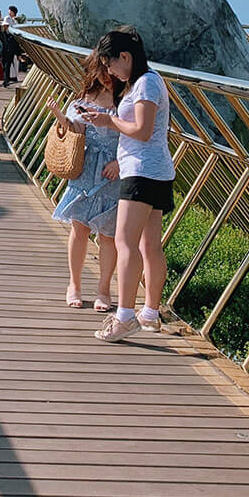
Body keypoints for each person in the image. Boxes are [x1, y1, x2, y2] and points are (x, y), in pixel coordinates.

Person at [84, 28, 176, 343]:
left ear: (125, 57)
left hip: (141, 172)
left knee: (125, 242)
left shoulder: (146, 83)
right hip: (155, 171)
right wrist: (106, 117)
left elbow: (142, 130)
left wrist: (109, 121)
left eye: (110, 64)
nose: (109, 72)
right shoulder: (144, 82)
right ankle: (149, 312)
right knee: (149, 245)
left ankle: (124, 315)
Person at [45, 50, 122, 311]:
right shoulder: (87, 97)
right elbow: (77, 129)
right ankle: (74, 285)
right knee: (79, 228)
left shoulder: (127, 99)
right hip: (86, 169)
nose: (108, 76)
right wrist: (60, 117)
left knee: (108, 235)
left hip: (113, 172)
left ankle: (103, 290)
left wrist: (120, 164)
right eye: (103, 70)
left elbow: (136, 135)